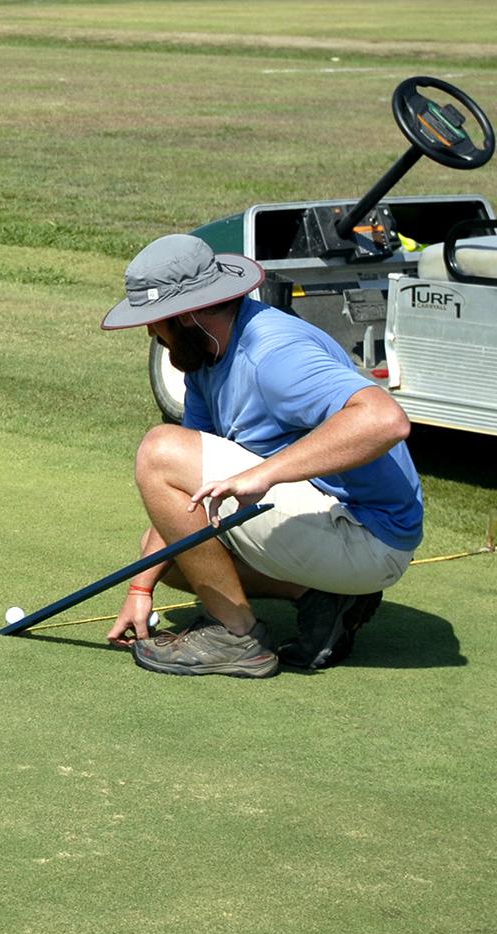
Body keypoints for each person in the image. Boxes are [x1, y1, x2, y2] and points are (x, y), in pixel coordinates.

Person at [100, 234, 423, 678]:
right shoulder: (206, 355)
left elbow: (386, 421)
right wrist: (141, 587)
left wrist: (264, 473)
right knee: (168, 556)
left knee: (159, 451)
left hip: (370, 537)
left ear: (187, 315)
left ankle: (234, 636)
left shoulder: (273, 355)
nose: (150, 332)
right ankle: (321, 597)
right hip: (333, 525)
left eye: (155, 321)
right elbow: (186, 489)